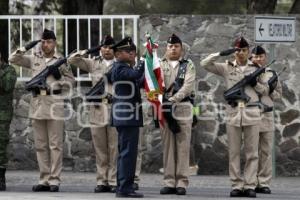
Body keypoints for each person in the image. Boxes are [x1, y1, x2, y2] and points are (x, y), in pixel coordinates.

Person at [200, 37, 269, 198]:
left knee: (252, 153)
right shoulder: (226, 67)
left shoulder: (257, 68)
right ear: (234, 51)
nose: (241, 53)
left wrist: (255, 84)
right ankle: (237, 185)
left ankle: (250, 185)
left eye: (244, 50)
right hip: (234, 113)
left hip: (252, 113)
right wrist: (221, 53)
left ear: (248, 51)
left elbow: (265, 91)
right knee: (234, 152)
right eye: (238, 50)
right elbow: (205, 64)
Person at [9, 29, 75, 192]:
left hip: (54, 104)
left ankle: (54, 180)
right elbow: (12, 59)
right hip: (37, 104)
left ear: (55, 43)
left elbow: (72, 83)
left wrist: (59, 79)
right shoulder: (34, 59)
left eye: (49, 42)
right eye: (44, 42)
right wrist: (26, 47)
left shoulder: (61, 61)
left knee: (55, 145)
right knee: (40, 145)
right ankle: (44, 179)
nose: (46, 45)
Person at [68, 35, 118, 193]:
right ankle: (102, 180)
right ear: (100, 48)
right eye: (104, 47)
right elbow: (72, 60)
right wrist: (89, 51)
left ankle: (113, 180)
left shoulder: (121, 63)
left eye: (110, 47)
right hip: (97, 109)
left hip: (115, 109)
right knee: (100, 148)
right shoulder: (93, 62)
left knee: (114, 147)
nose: (107, 50)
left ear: (115, 49)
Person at [159, 34, 196, 196]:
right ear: (166, 48)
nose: (173, 49)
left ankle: (181, 182)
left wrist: (172, 99)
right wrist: (160, 100)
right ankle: (169, 181)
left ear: (181, 48)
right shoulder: (159, 65)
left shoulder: (188, 65)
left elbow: (188, 86)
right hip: (164, 108)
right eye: (170, 46)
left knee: (183, 145)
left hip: (183, 107)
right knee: (168, 146)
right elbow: (153, 84)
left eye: (176, 46)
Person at [110, 37, 144, 198]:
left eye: (134, 52)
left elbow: (140, 79)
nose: (133, 54)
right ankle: (124, 188)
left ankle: (125, 186)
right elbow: (137, 73)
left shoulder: (125, 68)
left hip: (128, 116)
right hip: (126, 117)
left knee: (127, 152)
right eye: (129, 52)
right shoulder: (119, 68)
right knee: (127, 153)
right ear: (118, 54)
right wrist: (146, 61)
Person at [250, 45, 282, 194]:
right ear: (251, 57)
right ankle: (251, 181)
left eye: (261, 56)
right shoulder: (246, 72)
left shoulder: (272, 74)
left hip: (267, 115)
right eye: (255, 56)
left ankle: (263, 182)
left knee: (266, 151)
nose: (258, 59)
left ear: (265, 58)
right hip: (251, 114)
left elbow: (278, 95)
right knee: (252, 151)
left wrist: (270, 89)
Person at [0, 52, 17, 191]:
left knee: (1, 144)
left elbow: (6, 86)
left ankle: (1, 178)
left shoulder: (9, 70)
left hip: (2, 115)